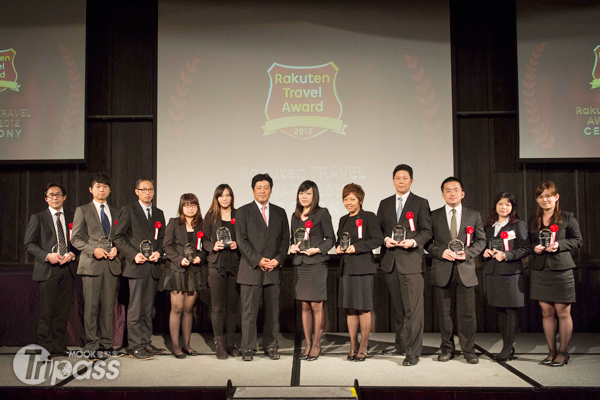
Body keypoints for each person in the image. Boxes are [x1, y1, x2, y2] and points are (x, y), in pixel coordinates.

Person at [377, 164, 432, 366]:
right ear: (393, 181)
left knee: (413, 310)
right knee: (399, 310)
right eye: (398, 178)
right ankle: (401, 345)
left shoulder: (420, 203)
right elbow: (378, 230)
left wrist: (414, 241)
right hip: (391, 262)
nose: (401, 181)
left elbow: (427, 230)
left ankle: (413, 352)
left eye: (405, 178)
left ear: (411, 181)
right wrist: (385, 240)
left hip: (411, 263)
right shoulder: (384, 203)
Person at [426, 177, 485, 364]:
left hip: (465, 270)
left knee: (467, 313)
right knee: (444, 314)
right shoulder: (433, 215)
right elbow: (427, 242)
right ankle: (446, 349)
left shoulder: (473, 215)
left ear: (462, 193)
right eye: (448, 190)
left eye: (456, 190)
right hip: (442, 269)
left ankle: (469, 350)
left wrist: (467, 253)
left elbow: (481, 241)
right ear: (442, 194)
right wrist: (441, 252)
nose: (452, 193)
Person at [236, 173, 290, 361]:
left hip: (273, 268)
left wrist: (277, 260)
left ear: (271, 190)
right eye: (259, 187)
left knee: (272, 311)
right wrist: (258, 260)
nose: (262, 191)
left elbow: (285, 240)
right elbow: (241, 241)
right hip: (251, 268)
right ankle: (247, 347)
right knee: (249, 312)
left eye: (266, 187)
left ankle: (271, 345)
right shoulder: (243, 212)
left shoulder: (280, 212)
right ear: (253, 190)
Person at [529, 181, 582, 367]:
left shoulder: (567, 217)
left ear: (556, 197)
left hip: (561, 270)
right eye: (541, 196)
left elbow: (577, 241)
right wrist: (534, 249)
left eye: (548, 196)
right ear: (537, 199)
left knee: (563, 312)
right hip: (540, 270)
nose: (545, 200)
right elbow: (527, 244)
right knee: (546, 312)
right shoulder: (533, 220)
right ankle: (551, 351)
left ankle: (563, 352)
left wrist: (559, 245)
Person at [113, 178, 167, 360]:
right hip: (136, 267)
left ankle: (145, 341)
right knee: (135, 309)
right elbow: (118, 237)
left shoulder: (158, 213)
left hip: (152, 267)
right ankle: (134, 346)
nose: (147, 192)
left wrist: (159, 252)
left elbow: (162, 240)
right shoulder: (128, 211)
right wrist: (132, 254)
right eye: (143, 189)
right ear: (136, 191)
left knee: (147, 309)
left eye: (150, 189)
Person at [24, 183, 78, 360]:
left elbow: (78, 241)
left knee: (63, 312)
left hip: (67, 269)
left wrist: (72, 253)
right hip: (48, 270)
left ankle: (59, 345)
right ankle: (45, 348)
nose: (55, 197)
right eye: (51, 195)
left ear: (64, 197)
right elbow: (29, 244)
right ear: (46, 198)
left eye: (58, 194)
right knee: (47, 311)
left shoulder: (72, 216)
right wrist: (47, 255)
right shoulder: (38, 217)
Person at [71, 174, 122, 360]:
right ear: (91, 189)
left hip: (111, 264)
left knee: (108, 307)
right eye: (98, 186)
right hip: (92, 265)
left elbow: (119, 237)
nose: (102, 190)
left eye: (105, 186)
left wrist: (117, 249)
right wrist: (94, 251)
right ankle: (92, 346)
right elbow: (75, 239)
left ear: (110, 189)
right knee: (91, 307)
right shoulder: (82, 210)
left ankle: (106, 344)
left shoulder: (116, 211)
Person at [335, 183, 382, 362]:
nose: (348, 202)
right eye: (345, 199)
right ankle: (353, 345)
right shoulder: (342, 219)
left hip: (363, 267)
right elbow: (339, 240)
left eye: (352, 199)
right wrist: (338, 248)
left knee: (363, 308)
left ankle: (364, 345)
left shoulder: (369, 217)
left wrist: (357, 247)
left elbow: (377, 240)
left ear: (360, 200)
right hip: (346, 268)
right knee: (350, 309)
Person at [290, 180, 335, 361]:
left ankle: (317, 343)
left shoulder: (322, 213)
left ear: (314, 195)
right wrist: (292, 247)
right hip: (300, 264)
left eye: (308, 193)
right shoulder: (294, 216)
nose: (304, 196)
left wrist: (318, 249)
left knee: (317, 305)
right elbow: (292, 239)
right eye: (301, 193)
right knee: (304, 305)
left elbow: (331, 238)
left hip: (316, 264)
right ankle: (307, 343)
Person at [482, 192, 530, 362]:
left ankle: (507, 348)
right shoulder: (489, 226)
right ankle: (507, 345)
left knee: (511, 310)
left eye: (508, 204)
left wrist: (507, 255)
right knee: (501, 310)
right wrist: (485, 252)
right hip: (494, 272)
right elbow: (482, 245)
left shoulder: (518, 225)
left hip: (511, 273)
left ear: (512, 207)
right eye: (501, 204)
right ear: (495, 206)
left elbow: (526, 248)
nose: (504, 207)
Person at [161, 193, 206, 359]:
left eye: (193, 205)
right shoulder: (174, 223)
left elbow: (205, 247)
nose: (190, 208)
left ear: (197, 207)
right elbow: (167, 246)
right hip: (177, 270)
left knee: (188, 309)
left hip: (194, 272)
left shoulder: (202, 224)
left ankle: (187, 345)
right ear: (181, 207)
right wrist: (180, 259)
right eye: (186, 205)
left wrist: (200, 257)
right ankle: (175, 347)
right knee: (177, 308)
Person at [202, 184, 241, 359]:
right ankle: (220, 345)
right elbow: (204, 240)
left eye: (228, 195)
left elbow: (245, 237)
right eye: (221, 195)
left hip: (235, 263)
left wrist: (237, 244)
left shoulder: (239, 215)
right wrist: (213, 246)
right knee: (217, 307)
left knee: (232, 308)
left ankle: (231, 344)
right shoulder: (210, 216)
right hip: (216, 264)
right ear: (216, 198)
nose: (225, 198)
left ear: (232, 197)